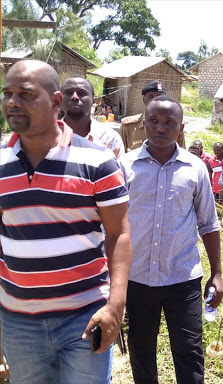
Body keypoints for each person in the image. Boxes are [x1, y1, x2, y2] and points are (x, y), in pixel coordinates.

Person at [0, 60, 132, 383]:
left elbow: (119, 235)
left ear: (56, 102)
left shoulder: (97, 162)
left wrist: (115, 306)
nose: (13, 102)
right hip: (18, 322)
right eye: (7, 93)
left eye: (26, 94)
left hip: (83, 318)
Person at [119, 95, 223, 384]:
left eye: (169, 123)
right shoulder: (125, 166)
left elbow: (209, 224)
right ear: (144, 124)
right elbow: (113, 226)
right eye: (154, 121)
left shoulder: (195, 168)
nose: (161, 128)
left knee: (189, 354)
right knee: (141, 354)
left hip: (183, 279)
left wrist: (217, 273)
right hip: (136, 278)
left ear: (180, 127)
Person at [61, 76, 125, 159]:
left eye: (82, 93)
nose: (74, 97)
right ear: (59, 99)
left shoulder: (110, 139)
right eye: (68, 93)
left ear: (93, 101)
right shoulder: (47, 137)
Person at [119, 80, 186, 152]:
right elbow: (119, 153)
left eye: (159, 96)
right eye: (150, 96)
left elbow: (181, 153)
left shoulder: (174, 126)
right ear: (143, 99)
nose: (154, 99)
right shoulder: (128, 126)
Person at [208, 142, 223, 209]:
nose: (216, 152)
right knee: (218, 212)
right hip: (217, 191)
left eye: (218, 150)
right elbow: (209, 176)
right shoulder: (211, 161)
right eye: (215, 150)